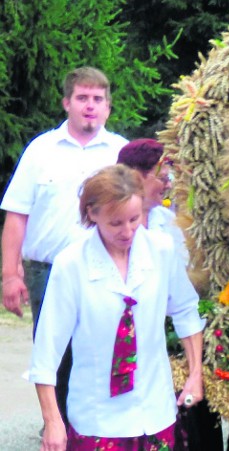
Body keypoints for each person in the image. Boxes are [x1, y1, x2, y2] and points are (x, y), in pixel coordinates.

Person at [29, 165, 204, 450]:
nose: (127, 231)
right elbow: (47, 351)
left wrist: (195, 374)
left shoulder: (161, 250)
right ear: (92, 214)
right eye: (115, 223)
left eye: (134, 219)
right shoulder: (71, 264)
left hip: (156, 412)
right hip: (97, 418)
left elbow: (186, 310)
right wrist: (52, 420)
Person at [1, 66, 128, 425]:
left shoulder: (121, 153)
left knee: (104, 354)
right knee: (54, 357)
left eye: (98, 100)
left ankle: (96, 432)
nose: (90, 106)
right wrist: (11, 275)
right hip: (49, 273)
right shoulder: (41, 151)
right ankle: (56, 431)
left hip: (107, 271)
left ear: (108, 107)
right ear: (67, 103)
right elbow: (16, 217)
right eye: (82, 98)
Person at [116, 138, 186, 259]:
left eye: (169, 179)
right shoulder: (109, 221)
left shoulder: (168, 218)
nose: (169, 185)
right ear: (135, 177)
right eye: (163, 178)